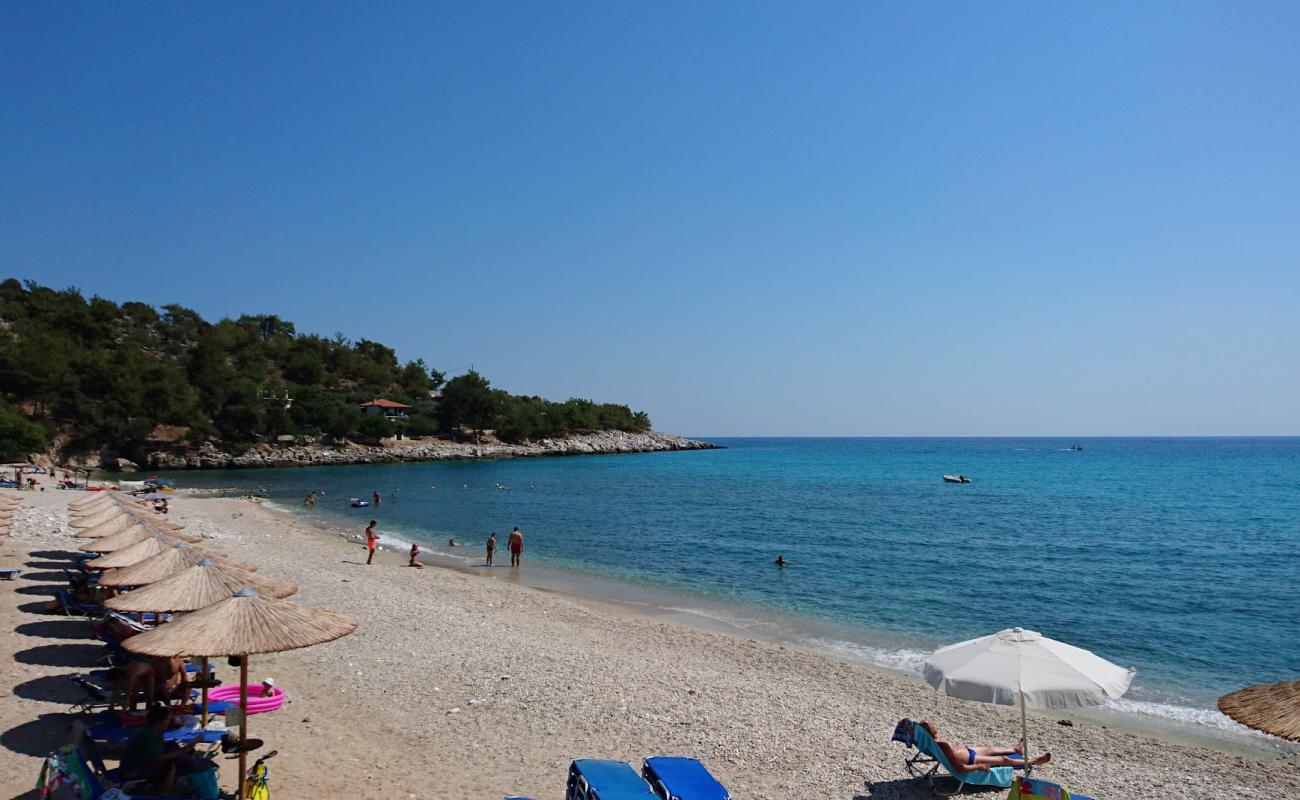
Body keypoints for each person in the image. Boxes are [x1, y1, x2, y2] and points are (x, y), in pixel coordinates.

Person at [903, 719, 1050, 772]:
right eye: (933, 729)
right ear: (931, 732)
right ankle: (1033, 762)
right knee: (1005, 760)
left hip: (967, 751)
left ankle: (1016, 749)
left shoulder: (929, 741)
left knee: (990, 748)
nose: (935, 729)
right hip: (970, 760)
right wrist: (978, 767)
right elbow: (959, 768)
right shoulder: (941, 746)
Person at [120, 704, 203, 790]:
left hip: (146, 760)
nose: (169, 721)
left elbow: (160, 750)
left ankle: (194, 767)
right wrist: (183, 750)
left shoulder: (155, 730)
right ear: (160, 721)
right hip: (133, 770)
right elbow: (156, 758)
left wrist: (181, 751)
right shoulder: (147, 735)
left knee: (172, 745)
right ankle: (165, 792)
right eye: (167, 719)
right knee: (170, 766)